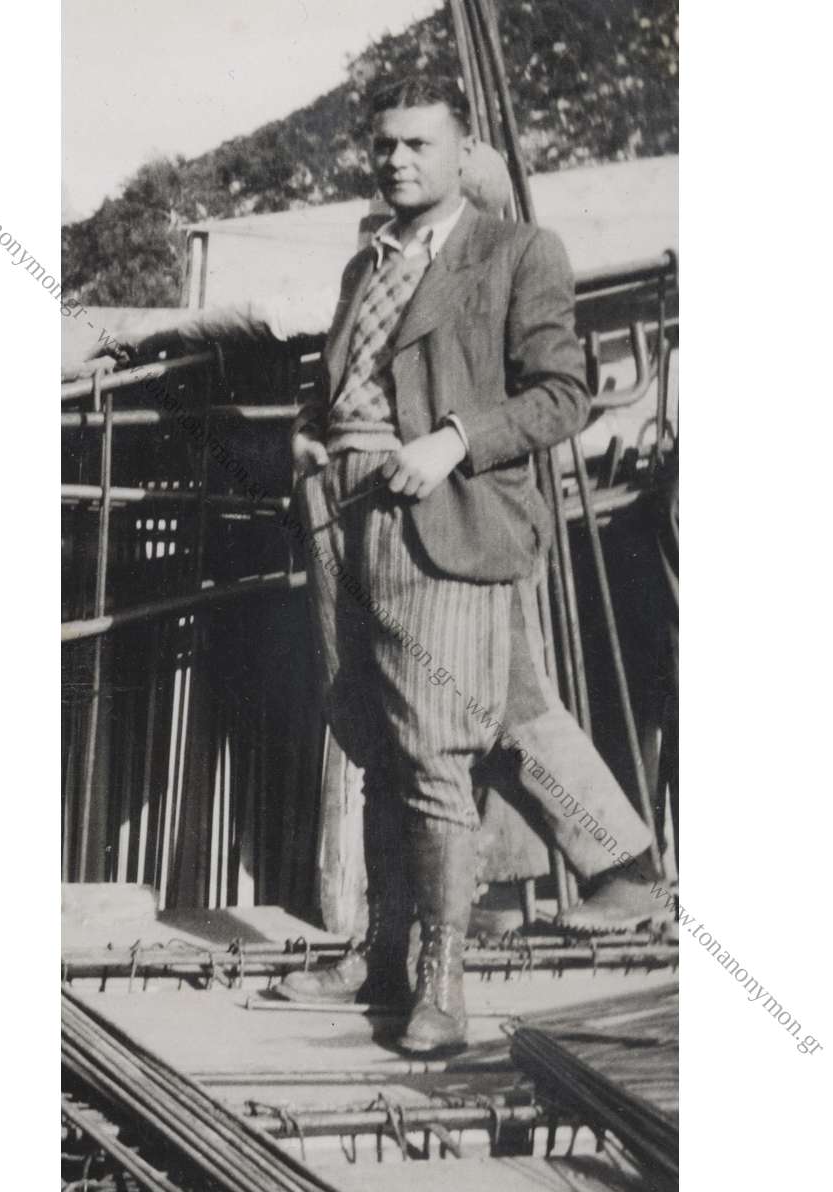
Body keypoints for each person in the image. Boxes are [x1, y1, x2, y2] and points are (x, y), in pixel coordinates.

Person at [279, 75, 661, 1056]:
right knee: (372, 734)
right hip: (341, 513)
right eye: (384, 145)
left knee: (438, 745)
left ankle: (441, 985)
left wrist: (452, 441)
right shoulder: (364, 262)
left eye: (418, 144)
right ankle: (381, 953)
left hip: (440, 510)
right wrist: (308, 432)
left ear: (461, 153)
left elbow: (562, 396)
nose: (397, 160)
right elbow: (341, 382)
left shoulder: (517, 253)